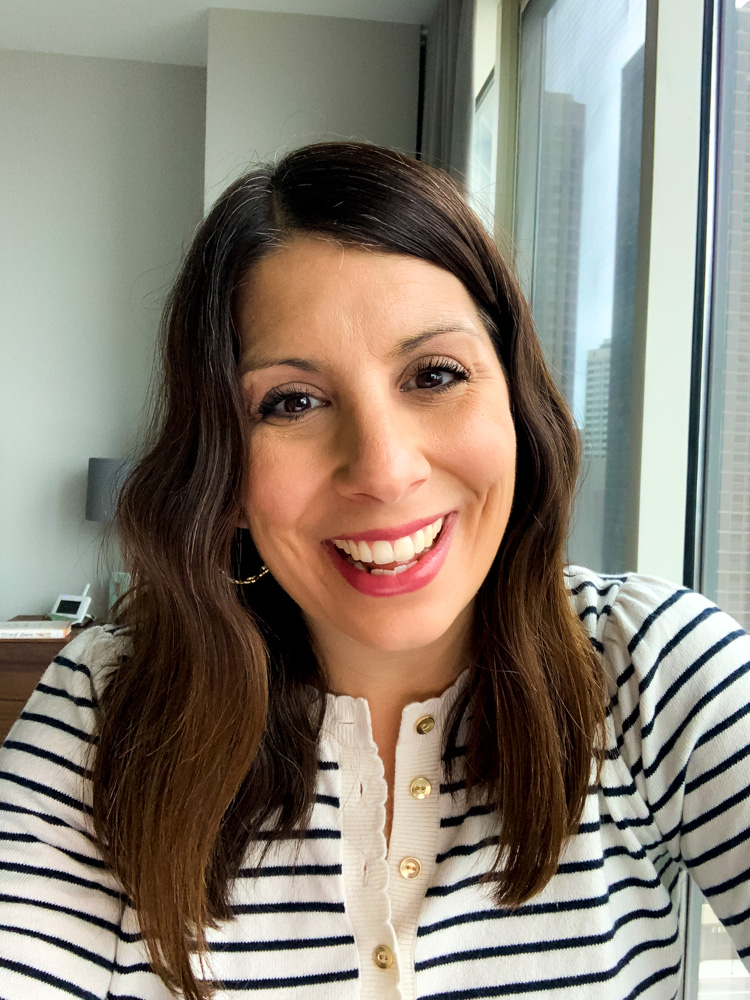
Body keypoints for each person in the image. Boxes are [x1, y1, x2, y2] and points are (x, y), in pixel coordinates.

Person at [0, 141, 748, 1000]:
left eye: (435, 374)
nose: (386, 469)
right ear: (225, 472)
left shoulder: (654, 668)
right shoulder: (108, 704)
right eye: (292, 402)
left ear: (516, 403)